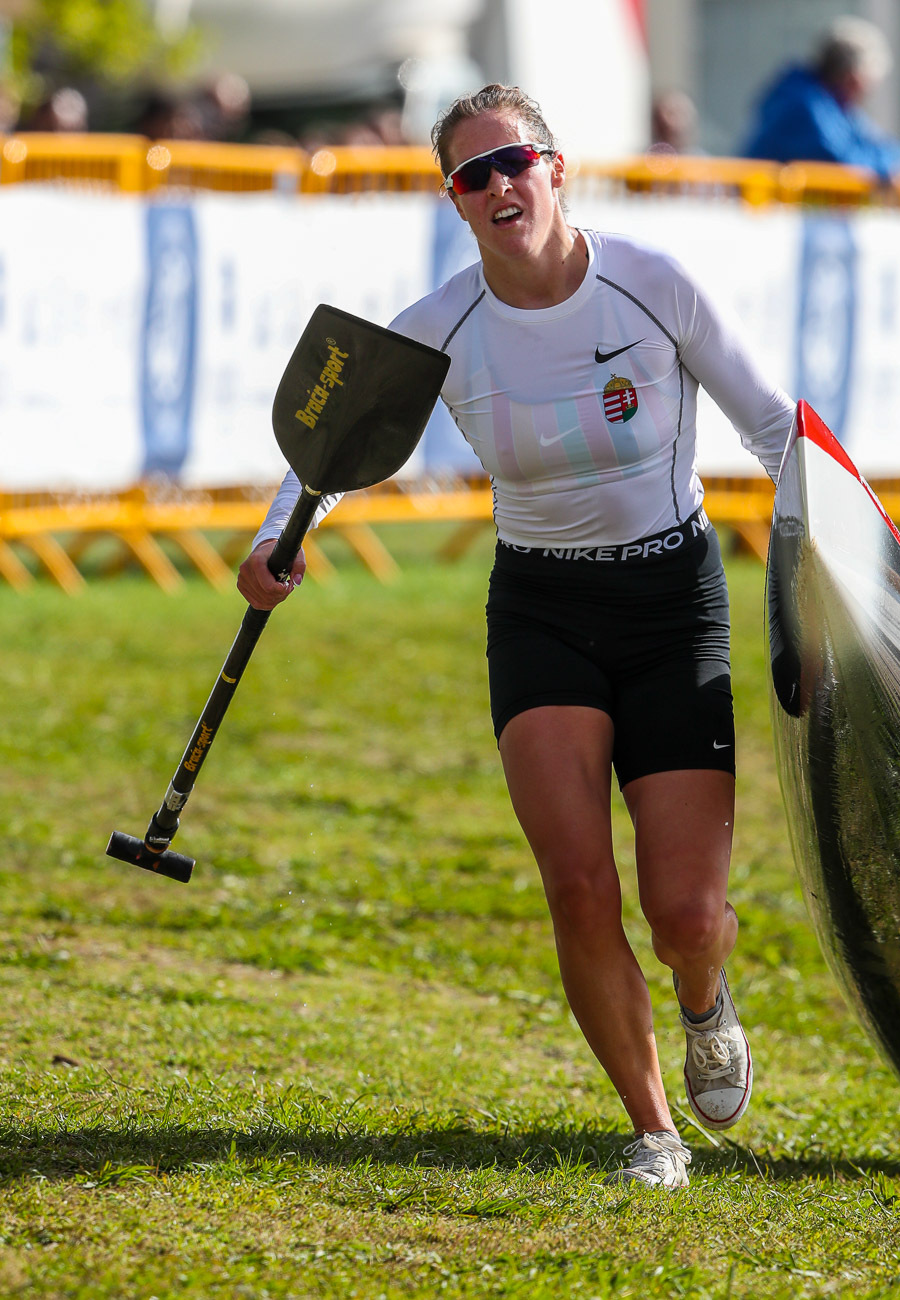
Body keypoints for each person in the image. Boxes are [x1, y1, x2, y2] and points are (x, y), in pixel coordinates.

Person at [238, 83, 796, 1189]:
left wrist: (829, 567)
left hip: (674, 597)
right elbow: (329, 456)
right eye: (471, 174)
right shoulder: (438, 325)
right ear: (454, 199)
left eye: (513, 163)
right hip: (541, 607)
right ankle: (653, 1129)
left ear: (556, 167)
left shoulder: (651, 285)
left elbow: (776, 430)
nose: (498, 187)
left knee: (686, 912)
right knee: (578, 884)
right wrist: (274, 544)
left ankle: (703, 996)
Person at [738, 16, 900, 183]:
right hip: (757, 205)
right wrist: (886, 170)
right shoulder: (803, 102)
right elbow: (842, 163)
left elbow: (885, 148)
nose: (865, 92)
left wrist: (892, 165)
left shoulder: (836, 106)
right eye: (864, 82)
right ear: (851, 77)